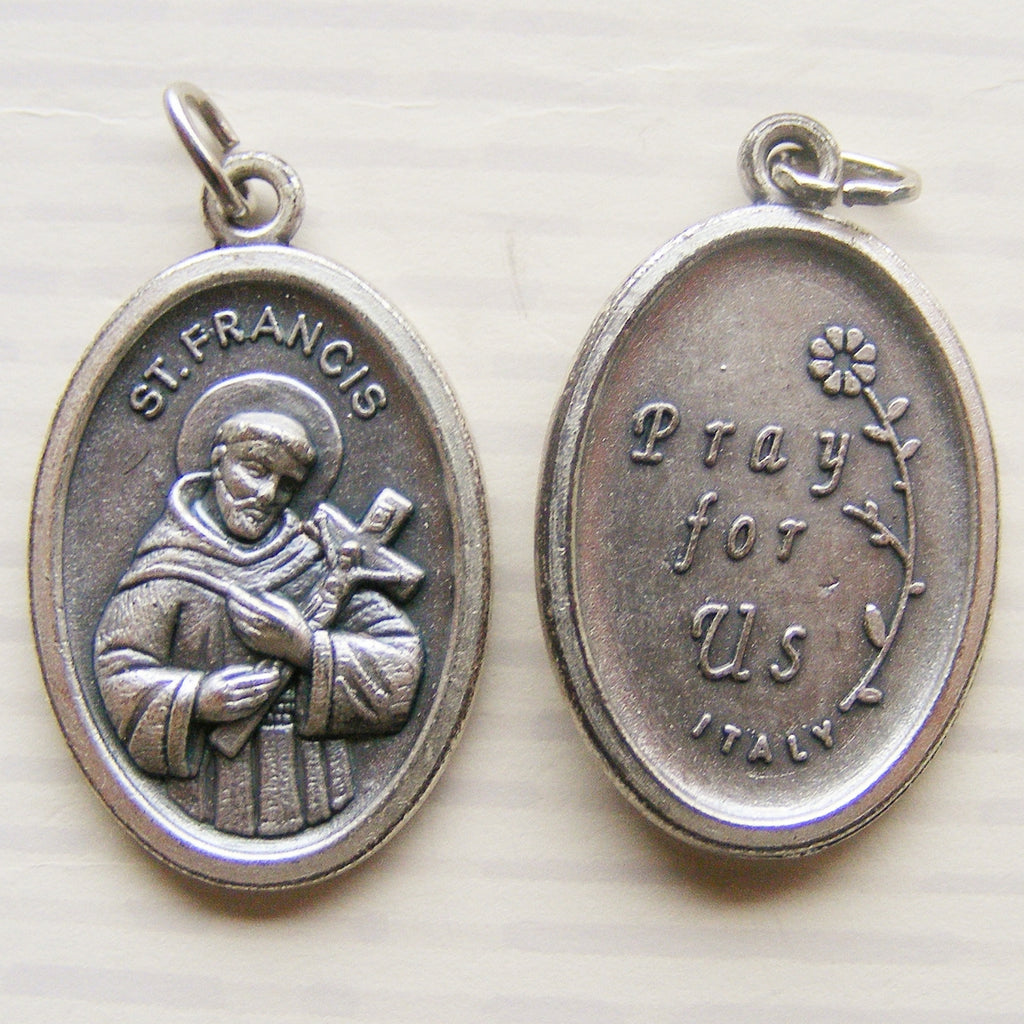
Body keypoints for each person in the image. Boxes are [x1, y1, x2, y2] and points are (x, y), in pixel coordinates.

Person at [94, 404, 423, 838]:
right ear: (218, 462)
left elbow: (403, 664)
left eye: (287, 484)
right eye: (255, 470)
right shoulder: (168, 566)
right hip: (206, 795)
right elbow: (117, 671)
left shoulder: (313, 558)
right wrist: (198, 699)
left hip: (314, 788)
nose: (268, 494)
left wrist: (305, 649)